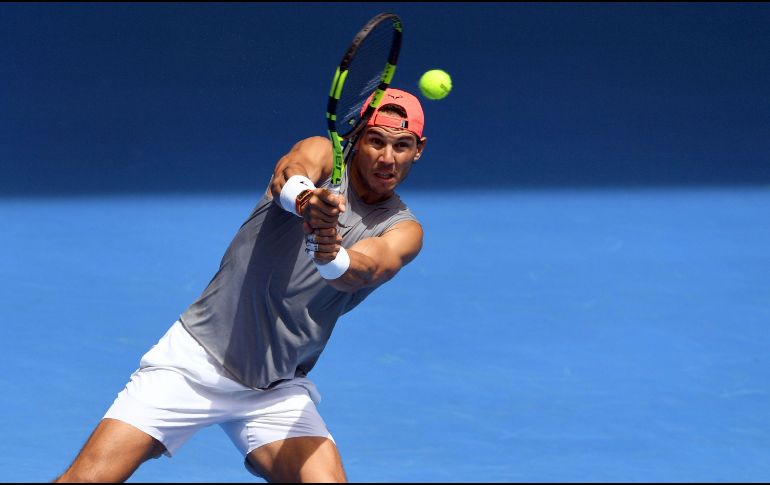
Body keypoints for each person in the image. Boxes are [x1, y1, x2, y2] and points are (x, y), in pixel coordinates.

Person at [54, 88, 427, 483]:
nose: (388, 158)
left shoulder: (405, 228)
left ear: (418, 150)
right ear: (356, 138)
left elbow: (368, 268)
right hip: (194, 362)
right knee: (87, 479)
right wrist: (307, 203)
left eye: (402, 146)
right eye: (377, 142)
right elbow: (289, 173)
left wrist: (330, 253)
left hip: (275, 389)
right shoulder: (320, 152)